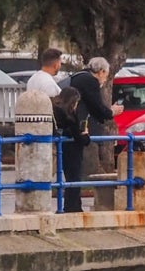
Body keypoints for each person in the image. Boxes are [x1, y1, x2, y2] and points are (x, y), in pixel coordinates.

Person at [68, 58, 122, 207]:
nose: (105, 78)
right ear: (101, 71)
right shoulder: (90, 81)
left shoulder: (78, 76)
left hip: (70, 126)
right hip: (75, 128)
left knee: (71, 171)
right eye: (106, 75)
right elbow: (96, 106)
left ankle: (72, 206)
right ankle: (72, 207)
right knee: (74, 170)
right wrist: (111, 112)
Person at [51, 87, 90, 212]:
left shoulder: (55, 112)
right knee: (74, 179)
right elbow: (80, 138)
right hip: (72, 151)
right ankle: (72, 207)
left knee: (67, 179)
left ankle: (71, 206)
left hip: (61, 148)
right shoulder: (69, 115)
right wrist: (86, 135)